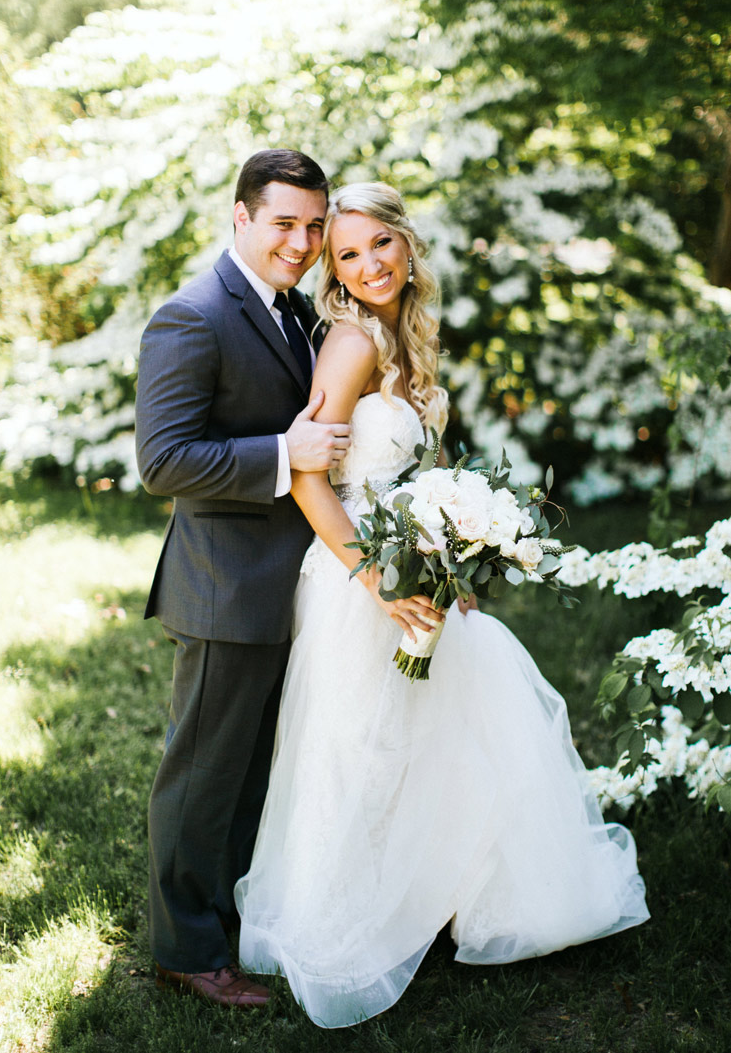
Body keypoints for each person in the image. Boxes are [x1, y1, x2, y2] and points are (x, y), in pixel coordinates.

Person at [234, 182, 650, 1028]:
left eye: (377, 245)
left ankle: (437, 898)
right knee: (365, 746)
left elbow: (423, 467)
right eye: (345, 255)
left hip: (415, 564)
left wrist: (456, 549)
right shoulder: (349, 343)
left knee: (436, 731)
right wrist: (377, 581)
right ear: (333, 269)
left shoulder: (402, 337)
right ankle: (354, 914)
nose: (366, 265)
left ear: (405, 243)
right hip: (361, 574)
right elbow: (312, 478)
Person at [135, 149, 355, 1009]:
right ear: (240, 215)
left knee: (254, 772)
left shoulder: (293, 308)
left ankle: (227, 918)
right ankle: (184, 948)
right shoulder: (191, 316)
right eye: (283, 224)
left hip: (287, 581)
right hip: (224, 585)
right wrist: (281, 456)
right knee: (203, 774)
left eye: (313, 225)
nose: (301, 242)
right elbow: (162, 460)